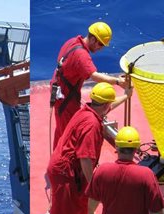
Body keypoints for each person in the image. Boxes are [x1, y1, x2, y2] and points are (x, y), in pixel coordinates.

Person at [40, 82, 131, 214]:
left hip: (69, 169)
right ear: (106, 105)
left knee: (80, 203)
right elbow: (85, 158)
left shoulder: (87, 111)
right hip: (67, 172)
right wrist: (94, 186)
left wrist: (126, 96)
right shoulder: (91, 125)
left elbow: (106, 108)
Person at [50, 21, 127, 150]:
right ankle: (62, 166)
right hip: (66, 99)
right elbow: (94, 75)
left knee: (62, 132)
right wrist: (118, 81)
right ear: (92, 38)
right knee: (68, 136)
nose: (100, 48)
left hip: (61, 94)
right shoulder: (82, 55)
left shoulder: (72, 41)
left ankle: (57, 161)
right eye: (100, 44)